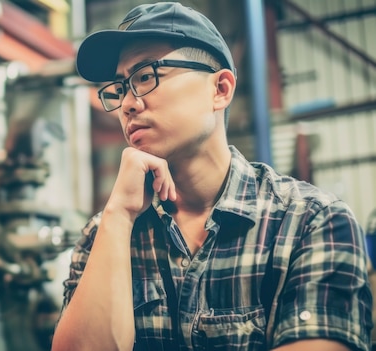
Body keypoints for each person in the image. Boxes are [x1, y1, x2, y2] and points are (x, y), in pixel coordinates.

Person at [51, 2, 373, 351]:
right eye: (119, 87)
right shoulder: (104, 235)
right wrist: (118, 215)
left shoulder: (311, 222)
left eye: (145, 76)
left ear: (220, 89)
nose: (128, 103)